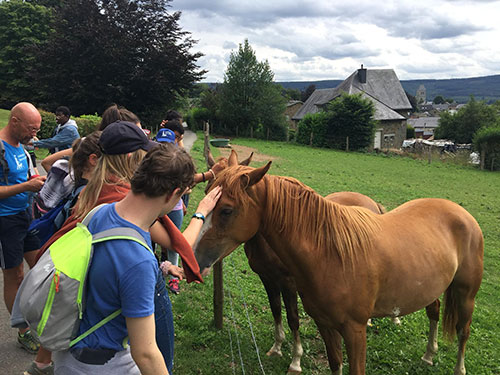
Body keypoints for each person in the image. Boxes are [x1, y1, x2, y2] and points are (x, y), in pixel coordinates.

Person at [32, 120, 220, 374]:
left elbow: (108, 270)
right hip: (105, 364)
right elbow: (145, 353)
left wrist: (163, 266)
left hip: (73, 353)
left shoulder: (102, 211)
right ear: (174, 194)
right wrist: (201, 212)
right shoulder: (138, 260)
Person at [0, 103, 46, 354]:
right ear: (14, 121)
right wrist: (26, 188)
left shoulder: (22, 148)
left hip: (25, 216)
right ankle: (23, 331)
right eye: (31, 129)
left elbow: (25, 177)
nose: (34, 135)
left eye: (37, 130)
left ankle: (42, 318)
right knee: (14, 275)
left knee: (42, 266)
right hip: (5, 221)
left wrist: (36, 182)